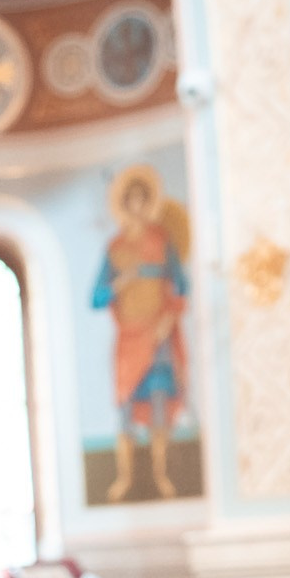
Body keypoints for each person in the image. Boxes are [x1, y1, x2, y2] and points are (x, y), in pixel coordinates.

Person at [91, 165, 190, 502]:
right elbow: (96, 297)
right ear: (124, 204)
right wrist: (121, 282)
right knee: (125, 406)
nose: (135, 207)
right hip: (128, 338)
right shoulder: (115, 247)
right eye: (129, 201)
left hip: (158, 334)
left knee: (160, 404)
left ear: (147, 203)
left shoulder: (162, 242)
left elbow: (181, 286)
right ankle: (124, 478)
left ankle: (163, 477)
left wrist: (169, 318)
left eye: (140, 200)